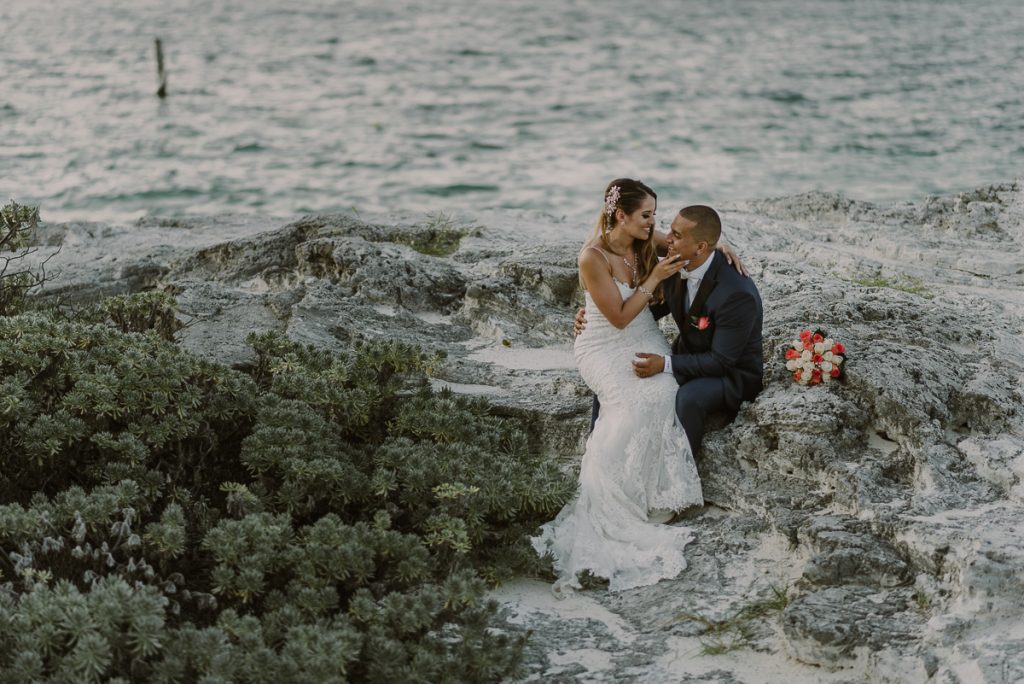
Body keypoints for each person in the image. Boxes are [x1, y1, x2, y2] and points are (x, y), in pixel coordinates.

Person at [531, 179, 705, 594]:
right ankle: (609, 501)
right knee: (629, 405)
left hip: (643, 334)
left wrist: (724, 249)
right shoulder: (592, 257)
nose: (654, 224)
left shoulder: (646, 239)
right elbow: (619, 318)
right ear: (621, 215)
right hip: (604, 342)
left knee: (665, 391)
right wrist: (656, 277)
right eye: (646, 215)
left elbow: (695, 245)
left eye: (655, 215)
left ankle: (653, 496)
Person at [630, 205, 763, 455]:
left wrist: (665, 364)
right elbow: (647, 312)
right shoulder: (676, 265)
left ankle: (683, 473)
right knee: (626, 375)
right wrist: (600, 316)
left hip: (731, 375)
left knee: (689, 398)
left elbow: (721, 361)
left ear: (701, 247)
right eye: (670, 230)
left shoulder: (736, 294)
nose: (667, 238)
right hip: (690, 357)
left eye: (677, 235)